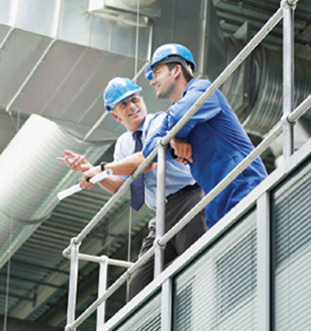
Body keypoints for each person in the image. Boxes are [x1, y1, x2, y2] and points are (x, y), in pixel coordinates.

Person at [59, 77, 207, 299]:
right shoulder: (123, 144)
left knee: (195, 259)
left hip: (188, 199)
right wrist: (92, 171)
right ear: (116, 114)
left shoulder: (158, 122)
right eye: (124, 104)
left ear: (142, 101)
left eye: (134, 100)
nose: (132, 107)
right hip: (162, 213)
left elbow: (148, 160)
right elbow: (121, 185)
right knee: (138, 282)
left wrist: (101, 168)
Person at [143, 43, 268, 228]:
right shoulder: (175, 113)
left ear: (176, 70)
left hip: (241, 184)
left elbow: (179, 117)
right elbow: (149, 150)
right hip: (215, 200)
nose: (152, 81)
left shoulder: (203, 89)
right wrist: (173, 143)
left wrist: (176, 135)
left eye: (157, 72)